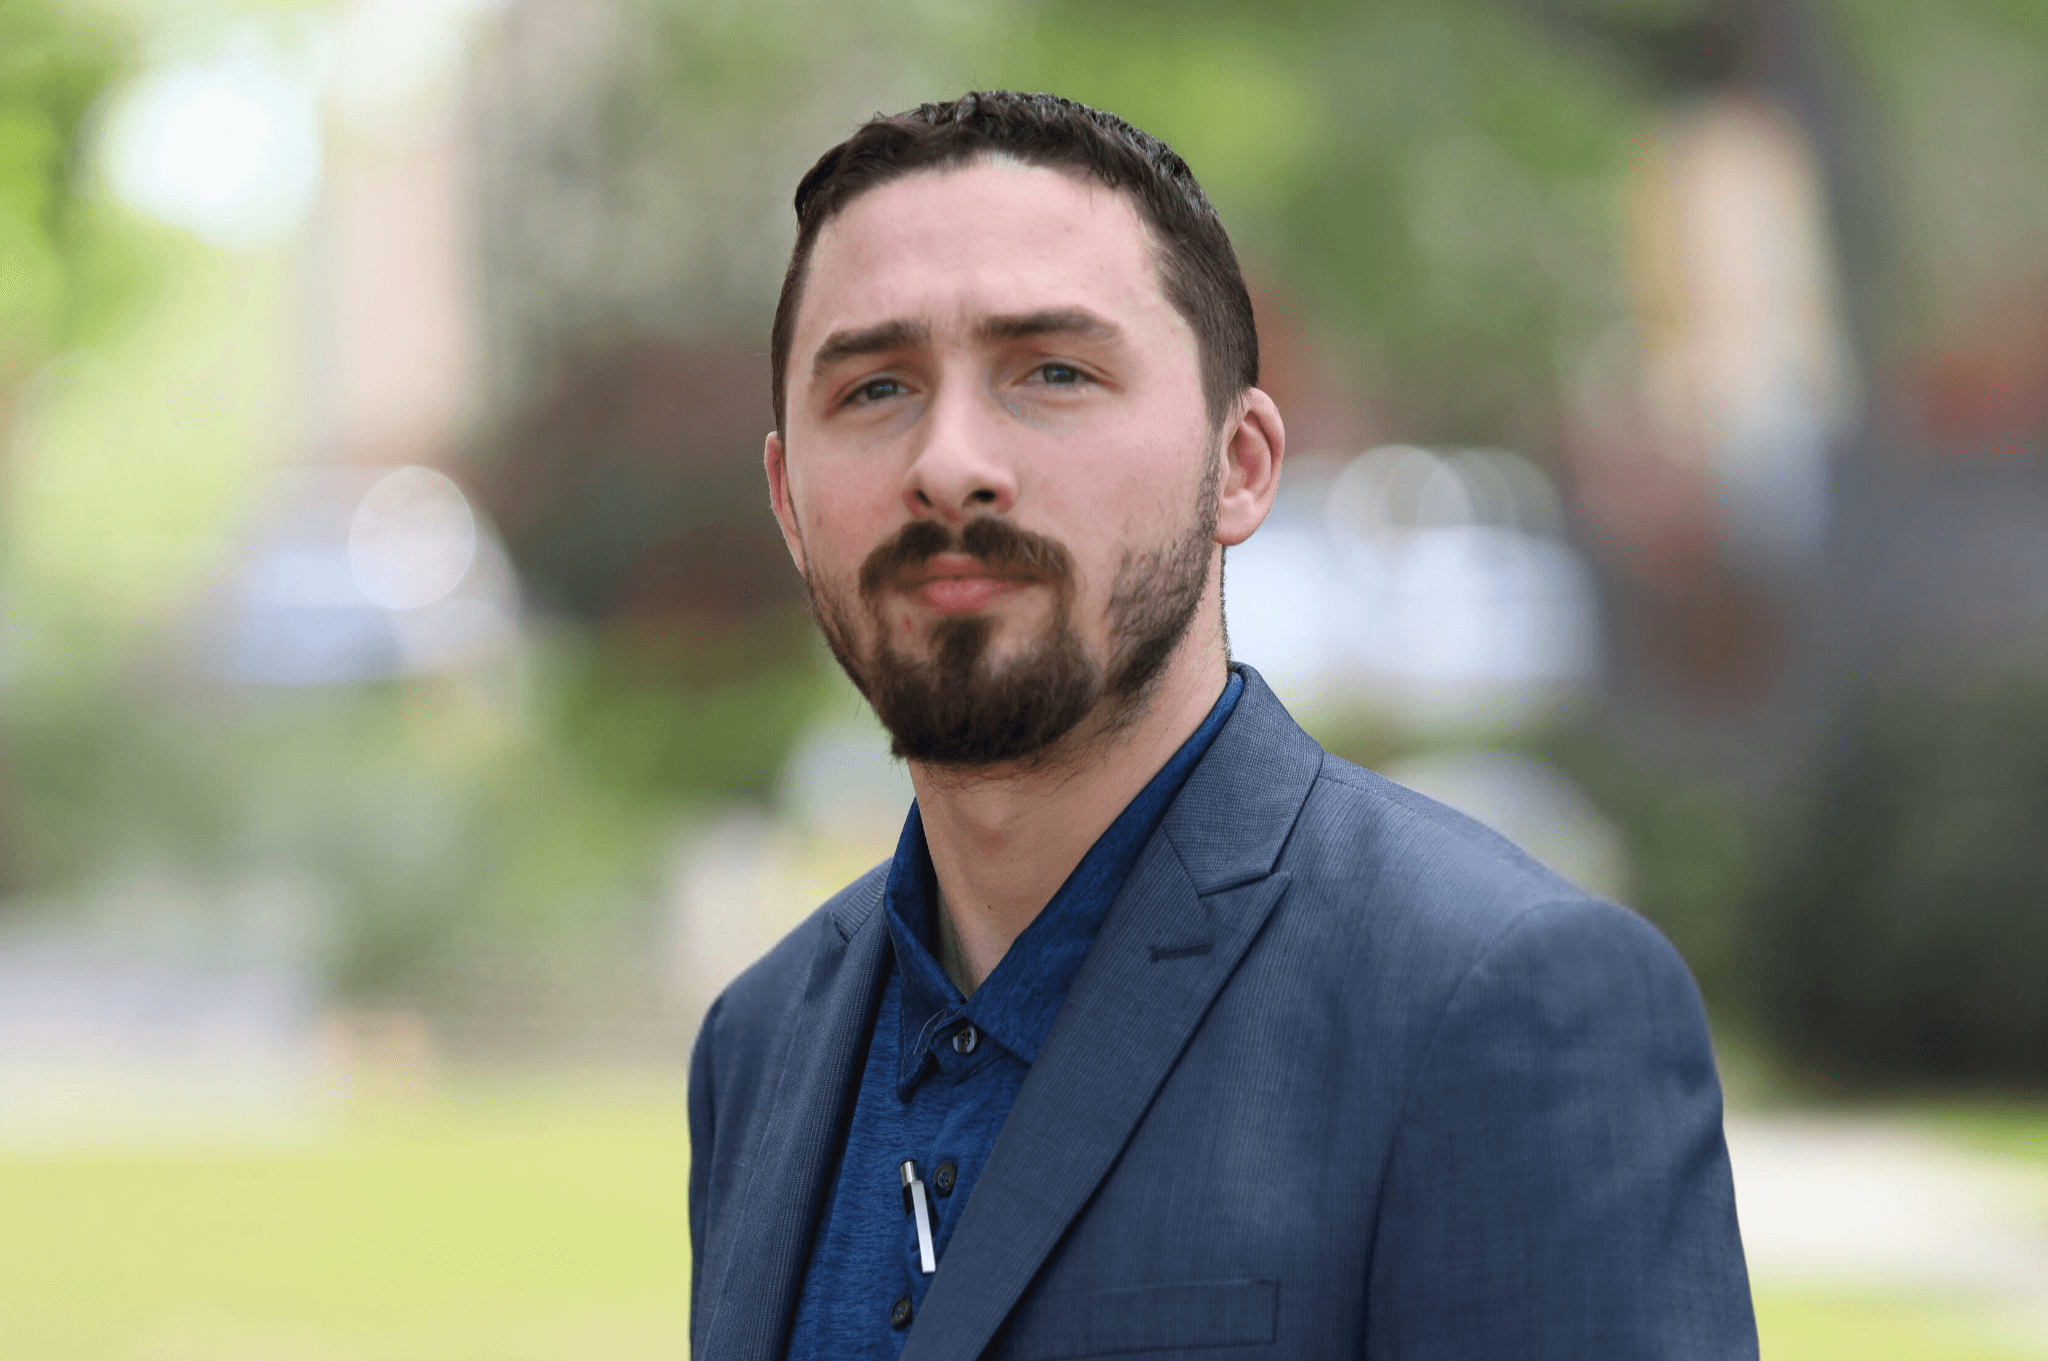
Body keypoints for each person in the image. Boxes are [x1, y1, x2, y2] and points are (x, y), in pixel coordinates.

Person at [688, 91, 1755, 1361]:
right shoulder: (759, 1043)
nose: (950, 461)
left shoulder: (1495, 998)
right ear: (788, 500)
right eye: (873, 387)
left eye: (1054, 371)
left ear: (1237, 464)